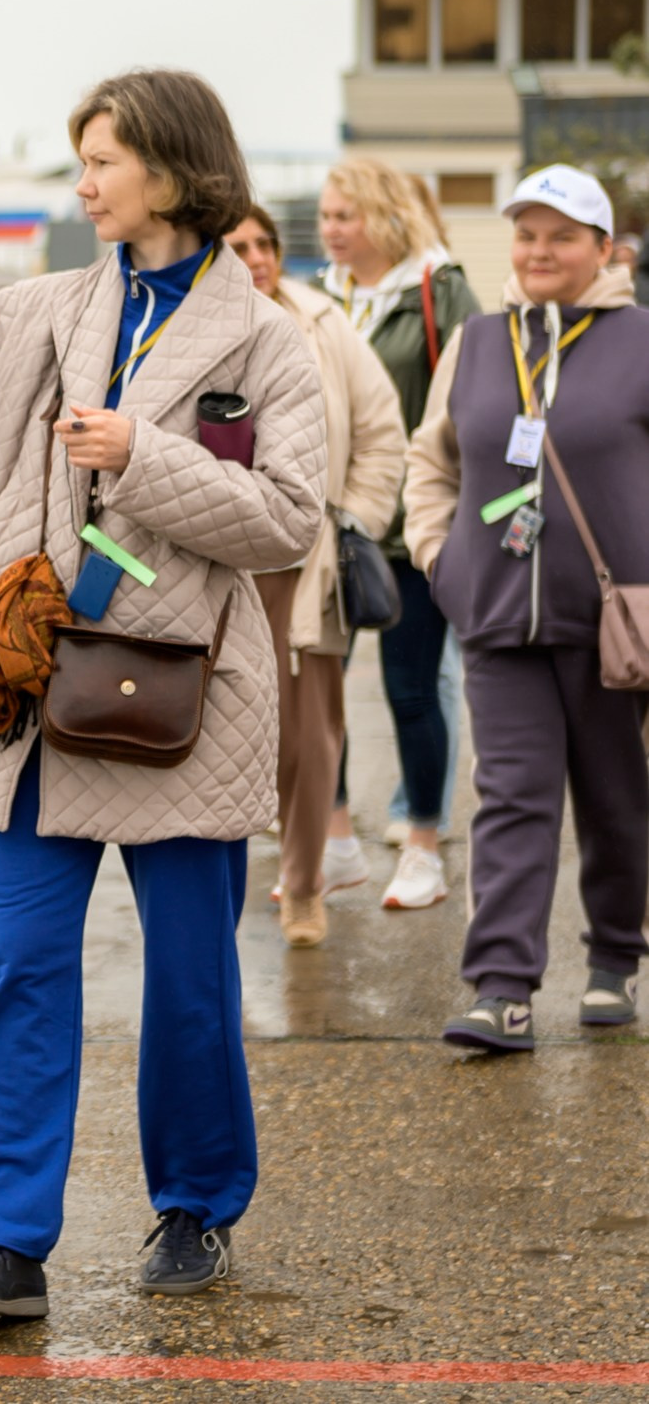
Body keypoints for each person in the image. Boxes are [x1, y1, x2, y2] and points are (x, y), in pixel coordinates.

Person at [0, 69, 323, 1316]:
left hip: (185, 704)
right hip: (32, 686)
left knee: (192, 975)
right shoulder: (43, 307)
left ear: (171, 167)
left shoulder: (268, 340)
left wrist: (140, 458)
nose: (83, 181)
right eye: (81, 159)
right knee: (22, 965)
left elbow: (285, 522)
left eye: (101, 159)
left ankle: (194, 1209)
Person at [404, 164, 649, 1052]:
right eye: (526, 233)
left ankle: (616, 954)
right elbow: (429, 464)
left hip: (618, 625)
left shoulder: (640, 340)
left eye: (562, 235)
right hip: (498, 614)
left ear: (603, 249)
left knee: (619, 801)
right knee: (509, 797)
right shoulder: (477, 342)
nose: (539, 251)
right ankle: (502, 986)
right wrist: (444, 559)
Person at [223, 208, 405, 947]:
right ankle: (214, 895)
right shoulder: (194, 326)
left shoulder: (325, 323)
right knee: (226, 735)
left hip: (310, 559)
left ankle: (304, 885)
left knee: (312, 733)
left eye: (265, 244)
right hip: (221, 561)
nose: (257, 257)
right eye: (238, 247)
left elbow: (382, 429)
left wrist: (352, 521)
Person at [316, 157, 478, 908]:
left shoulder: (440, 289)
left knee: (412, 692)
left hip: (410, 526)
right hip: (330, 524)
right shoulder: (320, 294)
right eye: (325, 216)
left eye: (344, 215)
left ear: (383, 215)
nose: (332, 229)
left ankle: (422, 844)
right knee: (319, 693)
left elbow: (472, 404)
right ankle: (337, 839)